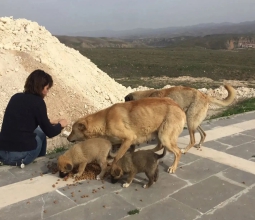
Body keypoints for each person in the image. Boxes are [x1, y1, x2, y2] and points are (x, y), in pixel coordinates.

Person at [0, 69, 68, 167]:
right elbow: (50, 132)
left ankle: (38, 160)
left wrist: (50, 121)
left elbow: (24, 121)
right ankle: (39, 163)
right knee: (41, 134)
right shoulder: (38, 102)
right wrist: (61, 124)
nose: (47, 92)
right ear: (41, 88)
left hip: (2, 153)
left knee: (39, 130)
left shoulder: (16, 97)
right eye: (47, 88)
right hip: (19, 157)